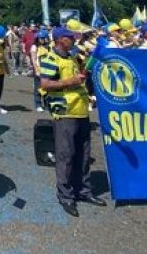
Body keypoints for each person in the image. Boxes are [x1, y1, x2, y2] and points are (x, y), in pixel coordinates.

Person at [38, 26, 106, 217]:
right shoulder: (50, 59)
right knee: (66, 155)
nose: (74, 40)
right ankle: (65, 195)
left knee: (83, 154)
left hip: (80, 110)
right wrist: (71, 81)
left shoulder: (73, 57)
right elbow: (45, 84)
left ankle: (84, 191)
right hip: (64, 111)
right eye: (70, 37)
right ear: (59, 39)